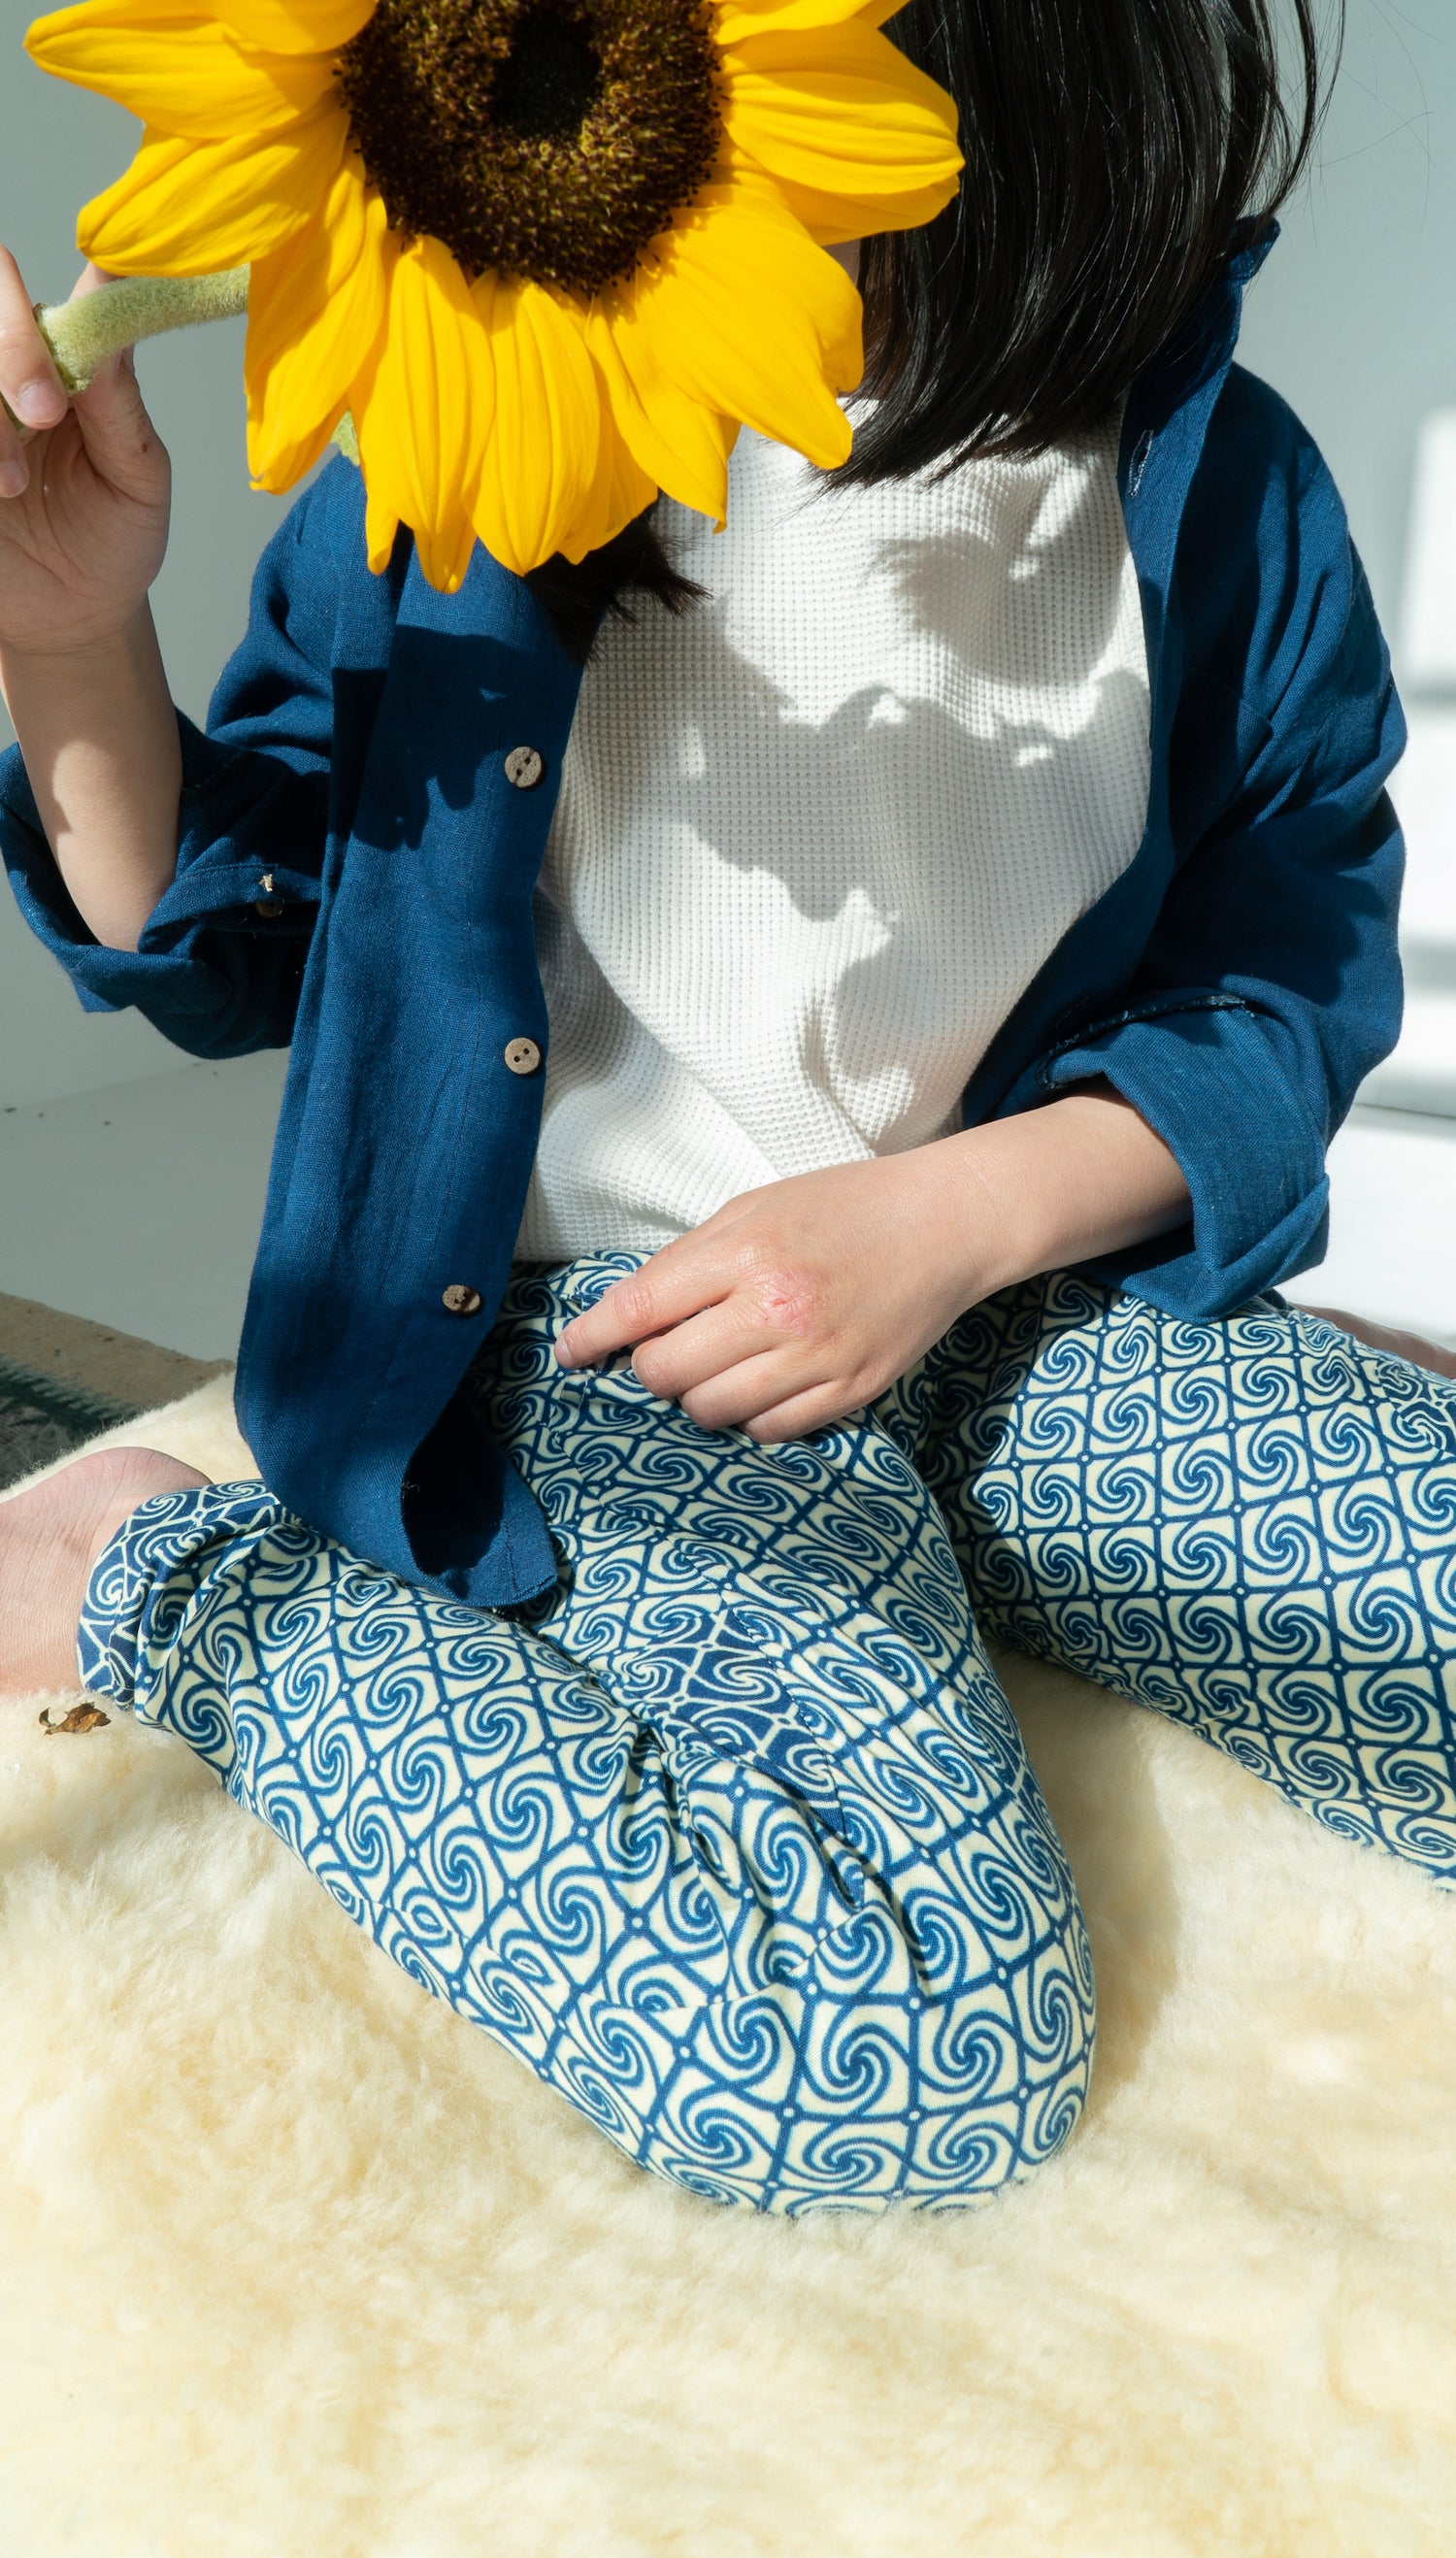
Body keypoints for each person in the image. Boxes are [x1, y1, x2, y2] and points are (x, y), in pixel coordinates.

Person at [0, 0, 1443, 2217]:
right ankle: (169, 1576)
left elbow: (1286, 968)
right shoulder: (473, 418)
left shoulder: (1209, 477)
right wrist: (69, 638)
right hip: (619, 1343)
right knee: (894, 2045)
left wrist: (943, 1225)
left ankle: (1015, 1536)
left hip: (1018, 1312)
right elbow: (245, 929)